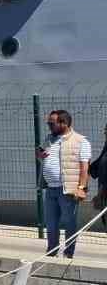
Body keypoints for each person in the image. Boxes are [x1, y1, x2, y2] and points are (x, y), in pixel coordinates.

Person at [36, 108, 91, 259]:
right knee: (51, 223)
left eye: (51, 124)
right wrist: (39, 155)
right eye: (48, 123)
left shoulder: (80, 141)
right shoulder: (49, 139)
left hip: (67, 189)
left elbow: (84, 167)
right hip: (51, 189)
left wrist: (81, 188)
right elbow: (41, 154)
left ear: (64, 123)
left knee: (69, 222)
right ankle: (51, 251)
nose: (49, 126)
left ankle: (68, 253)